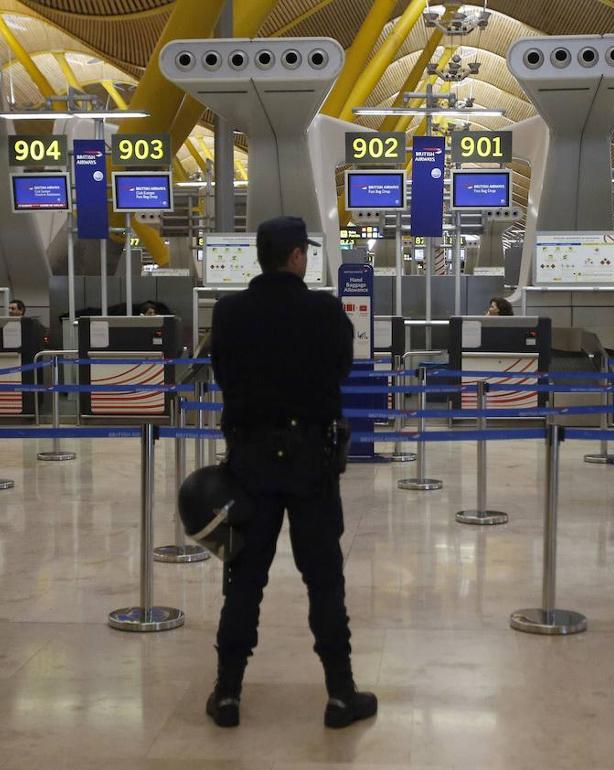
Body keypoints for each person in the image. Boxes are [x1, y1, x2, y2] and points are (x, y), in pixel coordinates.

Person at [207, 215, 375, 729]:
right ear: (298, 256)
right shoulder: (323, 311)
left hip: (250, 463)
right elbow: (343, 368)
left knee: (245, 579)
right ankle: (341, 694)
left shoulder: (228, 313)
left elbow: (222, 374)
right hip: (311, 465)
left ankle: (228, 694)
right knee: (324, 579)